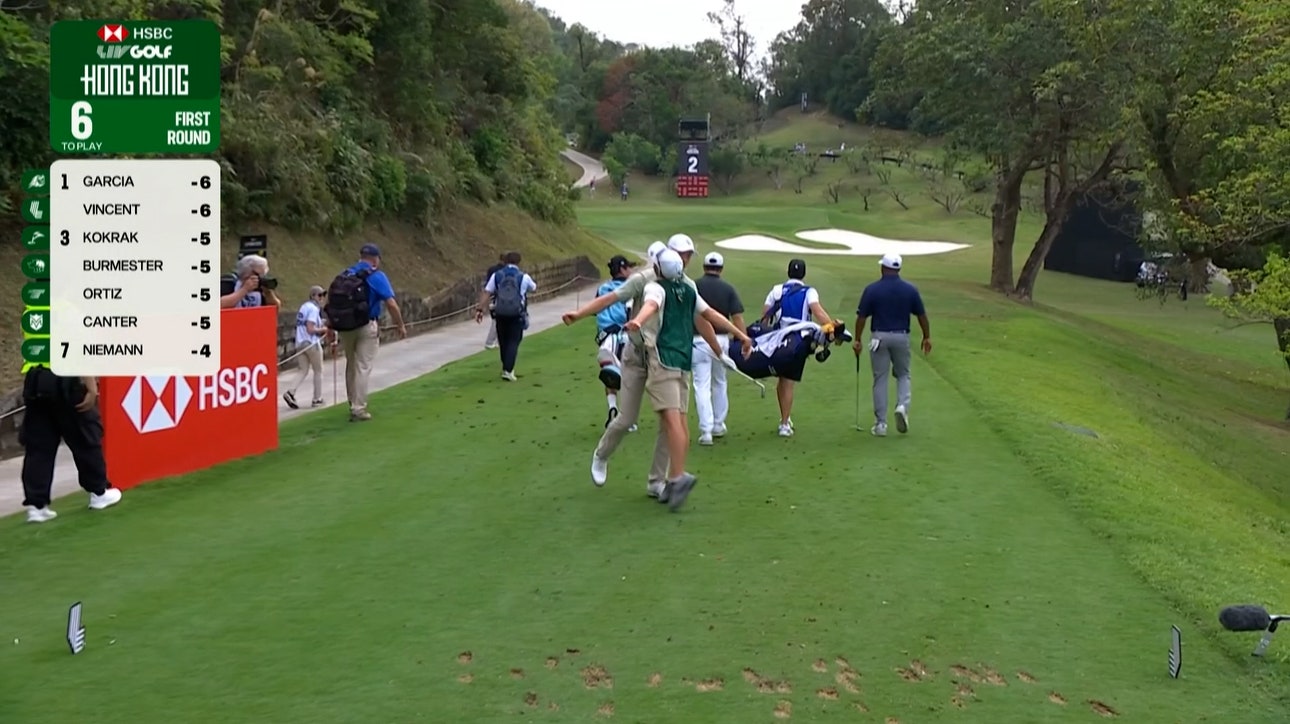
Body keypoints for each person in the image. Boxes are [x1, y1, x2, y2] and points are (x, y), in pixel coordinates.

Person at [561, 239, 752, 497]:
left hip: (665, 359)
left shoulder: (685, 284)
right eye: (682, 255)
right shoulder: (646, 281)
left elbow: (704, 317)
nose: (686, 260)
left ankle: (656, 482)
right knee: (627, 418)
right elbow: (614, 298)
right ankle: (602, 454)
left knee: (668, 421)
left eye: (688, 256)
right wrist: (579, 314)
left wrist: (721, 351)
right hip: (638, 356)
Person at [623, 249, 721, 511]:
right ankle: (673, 476)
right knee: (679, 418)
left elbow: (650, 306)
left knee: (671, 420)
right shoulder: (688, 289)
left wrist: (636, 321)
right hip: (683, 359)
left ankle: (677, 476)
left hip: (664, 360)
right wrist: (739, 336)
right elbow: (710, 316)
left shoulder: (659, 289)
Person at [19, 367, 122, 523]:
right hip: (65, 380)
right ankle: (98, 493)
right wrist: (91, 386)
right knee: (85, 439)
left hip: (36, 381)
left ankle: (36, 507)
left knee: (39, 449)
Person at [324, 243, 406, 422]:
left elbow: (335, 302)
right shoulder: (377, 276)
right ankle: (359, 408)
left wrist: (330, 326)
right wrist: (400, 324)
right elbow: (391, 304)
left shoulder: (346, 274)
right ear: (376, 259)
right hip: (366, 325)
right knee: (363, 366)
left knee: (351, 365)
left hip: (345, 326)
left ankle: (352, 401)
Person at [852, 253, 932, 436]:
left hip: (878, 337)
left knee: (880, 378)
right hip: (901, 336)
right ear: (898, 269)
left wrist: (857, 339)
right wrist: (927, 336)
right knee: (903, 374)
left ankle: (880, 425)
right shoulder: (910, 289)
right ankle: (902, 406)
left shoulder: (872, 289)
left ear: (882, 268)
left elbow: (861, 318)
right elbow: (922, 316)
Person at [761, 258, 837, 437]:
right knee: (788, 381)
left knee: (782, 379)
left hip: (778, 339)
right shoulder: (809, 291)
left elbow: (764, 315)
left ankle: (784, 418)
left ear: (788, 272)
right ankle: (785, 423)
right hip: (798, 340)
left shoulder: (777, 290)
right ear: (803, 274)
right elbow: (817, 312)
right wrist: (833, 327)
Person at [691, 251, 745, 445]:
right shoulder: (728, 288)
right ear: (721, 269)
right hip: (722, 341)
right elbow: (737, 317)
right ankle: (718, 424)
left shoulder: (694, 286)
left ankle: (706, 431)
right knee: (720, 382)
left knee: (701, 386)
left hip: (697, 342)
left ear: (704, 267)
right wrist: (743, 340)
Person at [476, 251, 537, 381]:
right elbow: (534, 287)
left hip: (500, 313)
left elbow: (487, 292)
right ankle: (508, 370)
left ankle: (505, 367)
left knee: (503, 341)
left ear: (505, 261)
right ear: (519, 262)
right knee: (513, 341)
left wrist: (480, 309)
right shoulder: (523, 277)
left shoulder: (497, 275)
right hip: (516, 313)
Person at [595, 255, 636, 428]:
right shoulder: (631, 288)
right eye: (629, 267)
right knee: (630, 378)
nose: (631, 270)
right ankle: (627, 419)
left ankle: (613, 408)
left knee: (611, 375)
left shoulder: (602, 288)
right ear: (622, 269)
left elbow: (595, 310)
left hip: (605, 338)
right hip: (624, 336)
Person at [283, 285, 329, 409]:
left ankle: (290, 392)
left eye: (323, 295)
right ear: (313, 296)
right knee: (318, 370)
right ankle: (317, 398)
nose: (322, 298)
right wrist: (323, 329)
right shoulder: (313, 309)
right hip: (311, 342)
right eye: (319, 295)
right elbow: (310, 328)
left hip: (300, 342)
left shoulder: (304, 307)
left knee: (303, 370)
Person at [483, 254, 506, 349]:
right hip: (500, 298)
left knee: (497, 320)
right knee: (497, 321)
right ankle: (490, 341)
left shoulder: (491, 269)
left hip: (492, 297)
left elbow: (487, 285)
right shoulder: (504, 271)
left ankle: (498, 340)